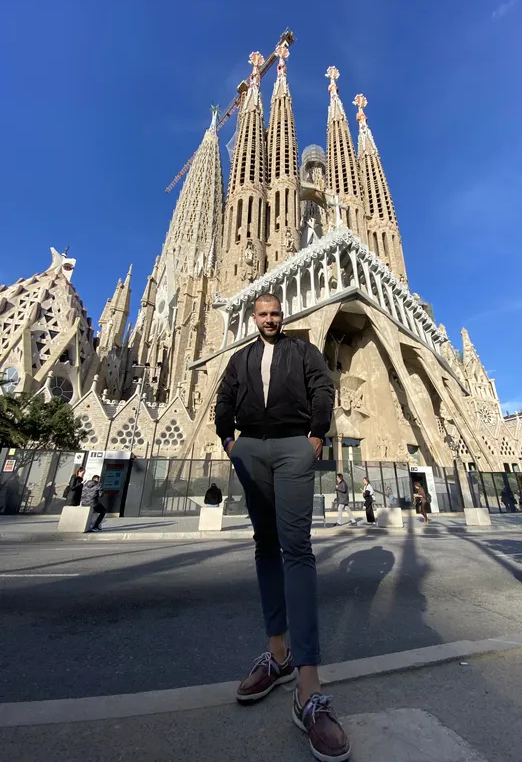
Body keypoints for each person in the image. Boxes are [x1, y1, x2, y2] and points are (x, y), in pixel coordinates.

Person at [216, 292, 350, 761]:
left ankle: (309, 688)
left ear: (282, 316)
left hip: (295, 446)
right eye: (263, 314)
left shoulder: (301, 351)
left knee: (298, 550)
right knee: (265, 547)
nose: (269, 320)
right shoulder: (242, 357)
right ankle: (277, 656)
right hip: (250, 448)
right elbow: (225, 396)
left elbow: (323, 387)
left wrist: (316, 435)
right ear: (253, 319)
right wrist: (228, 440)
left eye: (275, 314)